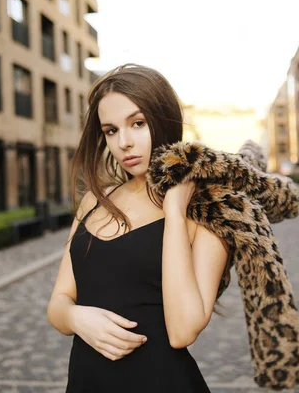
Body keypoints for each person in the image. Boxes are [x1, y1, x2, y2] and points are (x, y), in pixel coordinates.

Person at [47, 64, 229, 392]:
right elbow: (59, 300)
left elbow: (183, 331)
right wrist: (78, 319)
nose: (124, 143)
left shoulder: (207, 213)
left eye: (138, 124)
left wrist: (174, 211)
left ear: (163, 119)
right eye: (111, 130)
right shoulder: (94, 202)